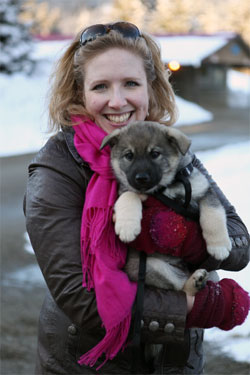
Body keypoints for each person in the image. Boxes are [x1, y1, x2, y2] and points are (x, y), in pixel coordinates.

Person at [24, 22, 250, 375]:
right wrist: (192, 307)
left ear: (150, 88)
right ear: (79, 94)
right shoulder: (57, 168)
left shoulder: (170, 147)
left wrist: (187, 240)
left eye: (130, 83)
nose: (118, 100)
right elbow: (79, 298)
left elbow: (238, 243)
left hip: (176, 364)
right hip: (88, 364)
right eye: (101, 86)